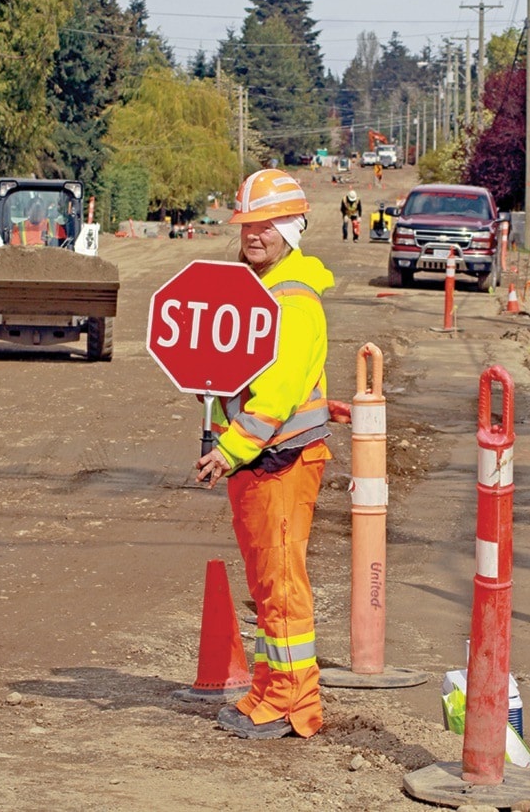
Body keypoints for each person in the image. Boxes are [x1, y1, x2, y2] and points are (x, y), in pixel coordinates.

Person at [195, 169, 339, 741]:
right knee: (266, 587)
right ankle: (269, 687)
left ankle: (293, 703)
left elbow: (274, 398)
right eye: (249, 224)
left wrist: (227, 449)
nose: (255, 234)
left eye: (268, 224)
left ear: (292, 229)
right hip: (262, 464)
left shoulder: (293, 301)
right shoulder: (258, 292)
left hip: (278, 461)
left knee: (281, 586)